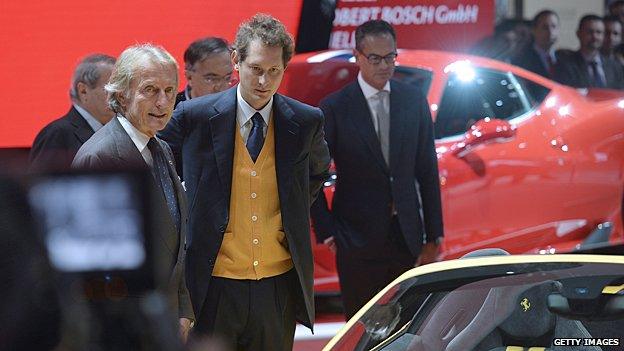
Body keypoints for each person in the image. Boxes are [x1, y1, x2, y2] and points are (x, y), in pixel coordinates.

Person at [158, 13, 330, 351]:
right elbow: (158, 167)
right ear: (237, 61)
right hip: (212, 283)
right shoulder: (195, 117)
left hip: (276, 285)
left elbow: (318, 173)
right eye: (255, 69)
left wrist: (291, 211)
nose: (264, 81)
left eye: (274, 71)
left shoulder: (306, 121)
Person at [310, 19, 444, 319]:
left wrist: (435, 233)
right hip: (355, 238)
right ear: (357, 56)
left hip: (406, 233)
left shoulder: (413, 100)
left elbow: (426, 168)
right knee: (363, 326)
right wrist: (327, 229)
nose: (384, 65)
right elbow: (311, 174)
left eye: (390, 57)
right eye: (375, 58)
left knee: (409, 324)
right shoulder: (335, 107)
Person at [71, 44, 194, 342]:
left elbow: (175, 243)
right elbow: (90, 267)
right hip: (124, 330)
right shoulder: (99, 158)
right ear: (122, 93)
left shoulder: (160, 148)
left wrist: (183, 311)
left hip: (163, 322)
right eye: (150, 89)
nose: (163, 102)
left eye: (169, 90)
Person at [29, 54, 115, 171]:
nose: (120, 96)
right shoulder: (56, 134)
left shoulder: (115, 133)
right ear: (83, 91)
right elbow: (42, 186)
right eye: (110, 89)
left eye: (121, 90)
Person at [554, 14, 624, 89]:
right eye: (590, 32)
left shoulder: (615, 67)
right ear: (578, 33)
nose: (595, 36)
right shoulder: (566, 65)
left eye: (599, 32)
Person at [176, 37, 233, 107]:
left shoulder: (238, 107)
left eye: (228, 78)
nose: (222, 88)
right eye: (211, 79)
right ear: (189, 77)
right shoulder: (171, 110)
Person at [512, 10, 560, 79]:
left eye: (554, 26)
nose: (550, 32)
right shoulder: (522, 60)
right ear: (534, 30)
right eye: (545, 27)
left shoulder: (565, 60)